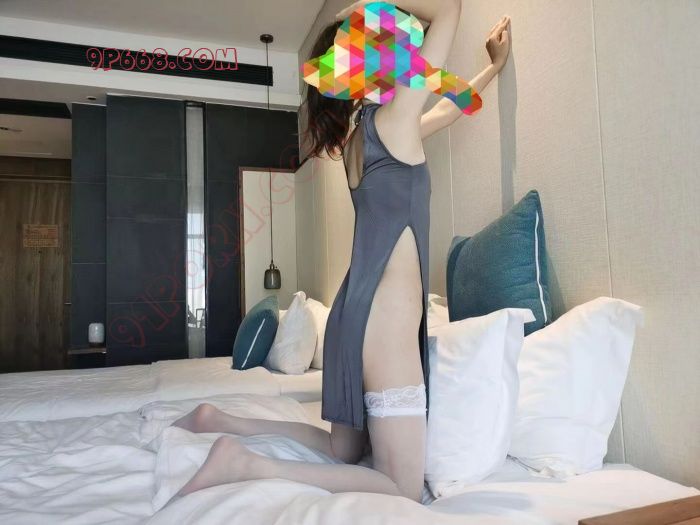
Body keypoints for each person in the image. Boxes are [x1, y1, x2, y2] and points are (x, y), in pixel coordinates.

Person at [172, 0, 511, 504]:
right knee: (403, 487)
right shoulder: (392, 123)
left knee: (343, 450)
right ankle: (245, 463)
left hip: (353, 315)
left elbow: (446, 108)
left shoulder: (364, 135)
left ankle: (221, 421)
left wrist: (493, 67)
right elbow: (450, 9)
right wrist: (369, 7)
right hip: (385, 321)